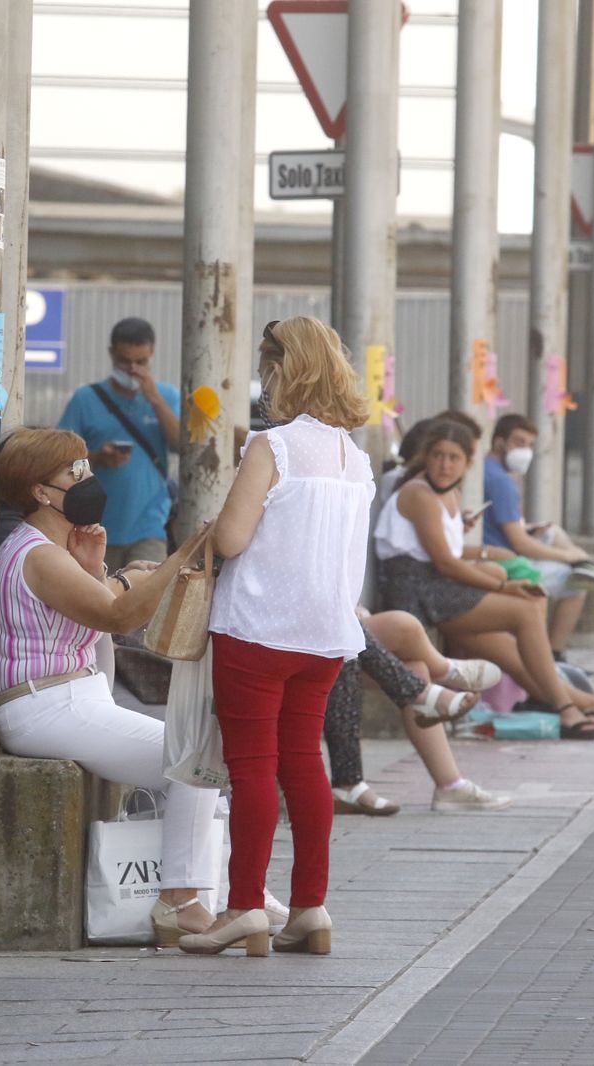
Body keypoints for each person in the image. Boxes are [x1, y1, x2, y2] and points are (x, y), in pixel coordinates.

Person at [0, 428, 274, 947]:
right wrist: (183, 553)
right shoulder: (37, 554)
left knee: (201, 766)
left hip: (69, 699)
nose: (89, 479)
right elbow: (119, 616)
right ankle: (181, 901)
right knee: (192, 760)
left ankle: (242, 898)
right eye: (74, 472)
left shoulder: (56, 550)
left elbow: (96, 621)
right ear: (38, 491)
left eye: (86, 466)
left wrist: (99, 569)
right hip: (47, 705)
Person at [186, 316, 373, 958]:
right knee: (303, 765)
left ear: (278, 368)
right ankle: (310, 909)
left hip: (257, 629)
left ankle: (243, 907)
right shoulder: (356, 458)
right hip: (324, 636)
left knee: (253, 769)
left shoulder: (275, 447)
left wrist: (214, 525)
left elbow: (234, 540)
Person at [375, 421, 594, 739]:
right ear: (426, 456)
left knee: (513, 654)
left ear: (467, 463)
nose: (445, 465)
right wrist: (503, 586)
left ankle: (589, 704)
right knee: (526, 609)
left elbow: (451, 551)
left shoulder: (448, 492)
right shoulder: (418, 492)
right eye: (437, 456)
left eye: (453, 458)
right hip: (417, 592)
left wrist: (490, 555)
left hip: (436, 588)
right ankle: (566, 708)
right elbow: (445, 563)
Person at [326, 610, 511, 816]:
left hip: (334, 624)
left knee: (416, 666)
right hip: (310, 628)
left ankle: (451, 785)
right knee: (401, 625)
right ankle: (443, 675)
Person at [482, 413, 594, 659]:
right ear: (499, 442)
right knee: (576, 585)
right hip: (504, 560)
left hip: (499, 548)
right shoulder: (501, 481)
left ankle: (585, 564)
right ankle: (554, 654)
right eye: (519, 443)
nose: (526, 451)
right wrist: (565, 556)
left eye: (530, 445)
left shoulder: (487, 471)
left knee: (551, 530)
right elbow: (520, 543)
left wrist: (533, 531)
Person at [56, 317, 180, 570]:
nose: (133, 369)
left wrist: (154, 399)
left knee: (145, 600)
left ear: (152, 354)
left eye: (141, 362)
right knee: (97, 602)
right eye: (125, 361)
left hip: (149, 526)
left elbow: (182, 446)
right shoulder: (85, 400)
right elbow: (61, 465)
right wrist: (98, 459)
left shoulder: (167, 396)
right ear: (112, 354)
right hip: (93, 525)